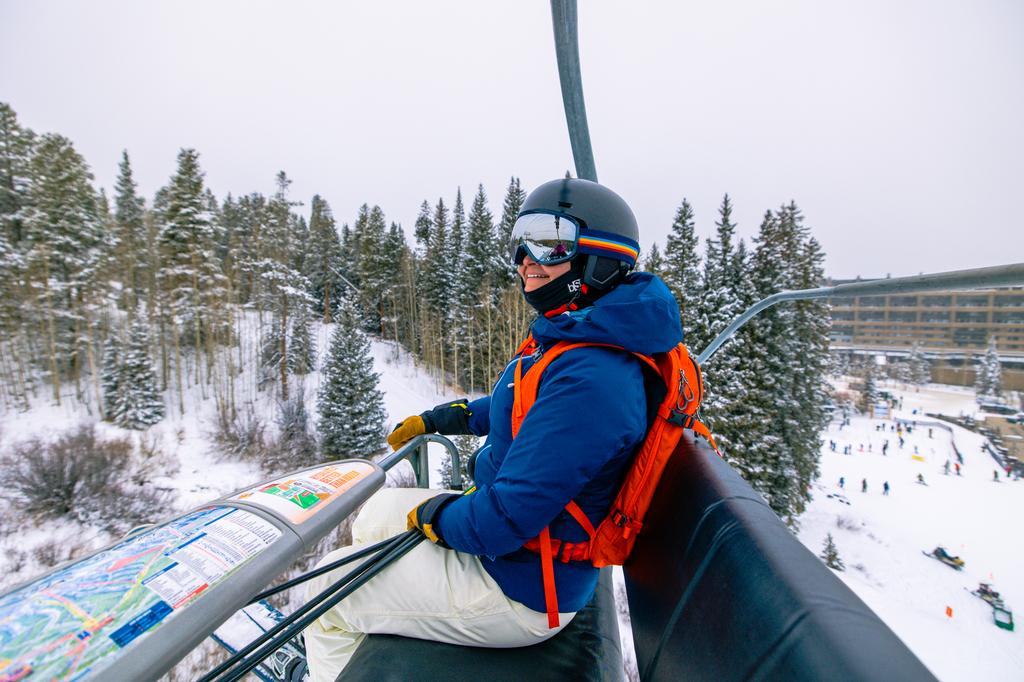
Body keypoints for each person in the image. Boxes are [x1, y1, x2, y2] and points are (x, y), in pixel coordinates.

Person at [302, 178, 673, 682]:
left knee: (323, 596)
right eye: (520, 240)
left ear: (600, 259)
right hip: (515, 552)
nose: (525, 258)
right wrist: (443, 419)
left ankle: (339, 654)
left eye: (548, 241)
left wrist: (436, 515)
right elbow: (519, 406)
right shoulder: (575, 336)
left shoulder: (595, 376)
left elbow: (503, 519)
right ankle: (378, 626)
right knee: (375, 515)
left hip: (524, 587)